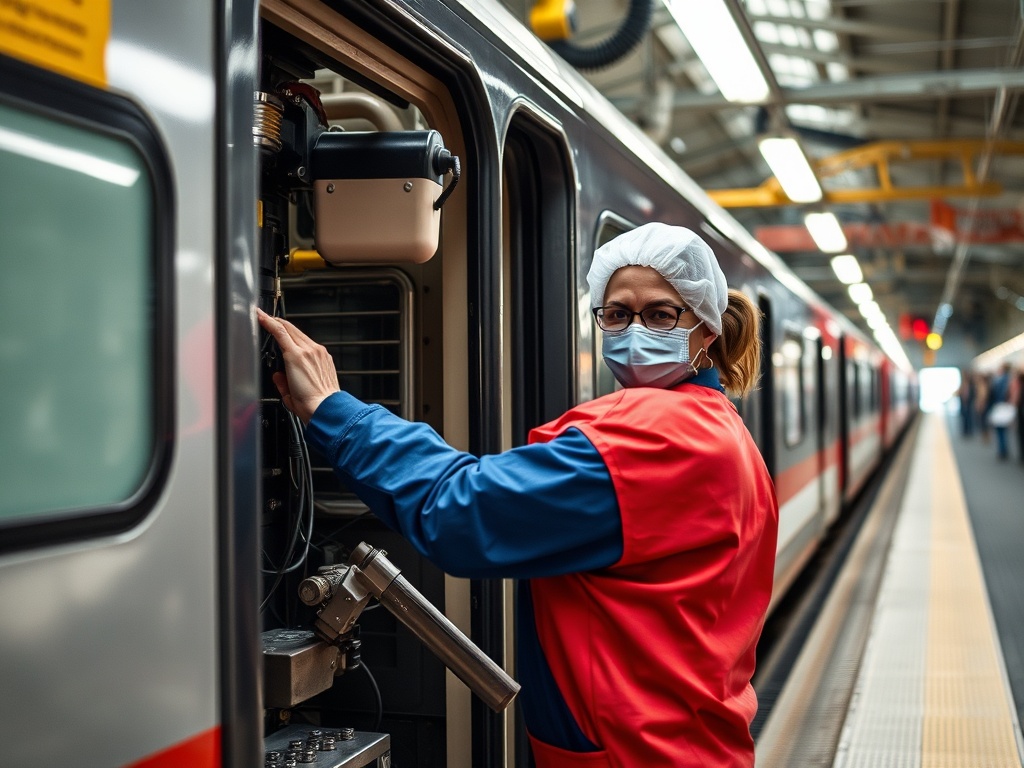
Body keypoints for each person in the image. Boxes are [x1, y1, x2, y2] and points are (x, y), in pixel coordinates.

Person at [258, 222, 779, 768]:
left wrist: (336, 412)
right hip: (691, 742)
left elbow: (463, 511)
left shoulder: (654, 433)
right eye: (618, 314)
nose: (634, 329)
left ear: (706, 331)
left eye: (661, 314)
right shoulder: (722, 430)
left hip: (640, 754)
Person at [989, 362, 1013, 460]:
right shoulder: (1008, 379)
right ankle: (1003, 449)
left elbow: (999, 393)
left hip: (1001, 405)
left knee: (1000, 429)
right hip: (1003, 405)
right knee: (1002, 430)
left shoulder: (1002, 379)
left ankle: (1002, 450)